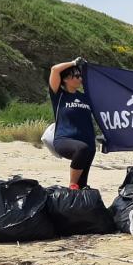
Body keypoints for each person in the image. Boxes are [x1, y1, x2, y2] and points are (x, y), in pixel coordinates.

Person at [48, 57, 96, 190]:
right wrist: (74, 63)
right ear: (65, 79)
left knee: (83, 185)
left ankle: (76, 198)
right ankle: (72, 185)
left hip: (88, 142)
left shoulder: (85, 97)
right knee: (82, 149)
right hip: (65, 139)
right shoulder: (59, 95)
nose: (80, 78)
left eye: (80, 76)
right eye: (76, 76)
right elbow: (55, 70)